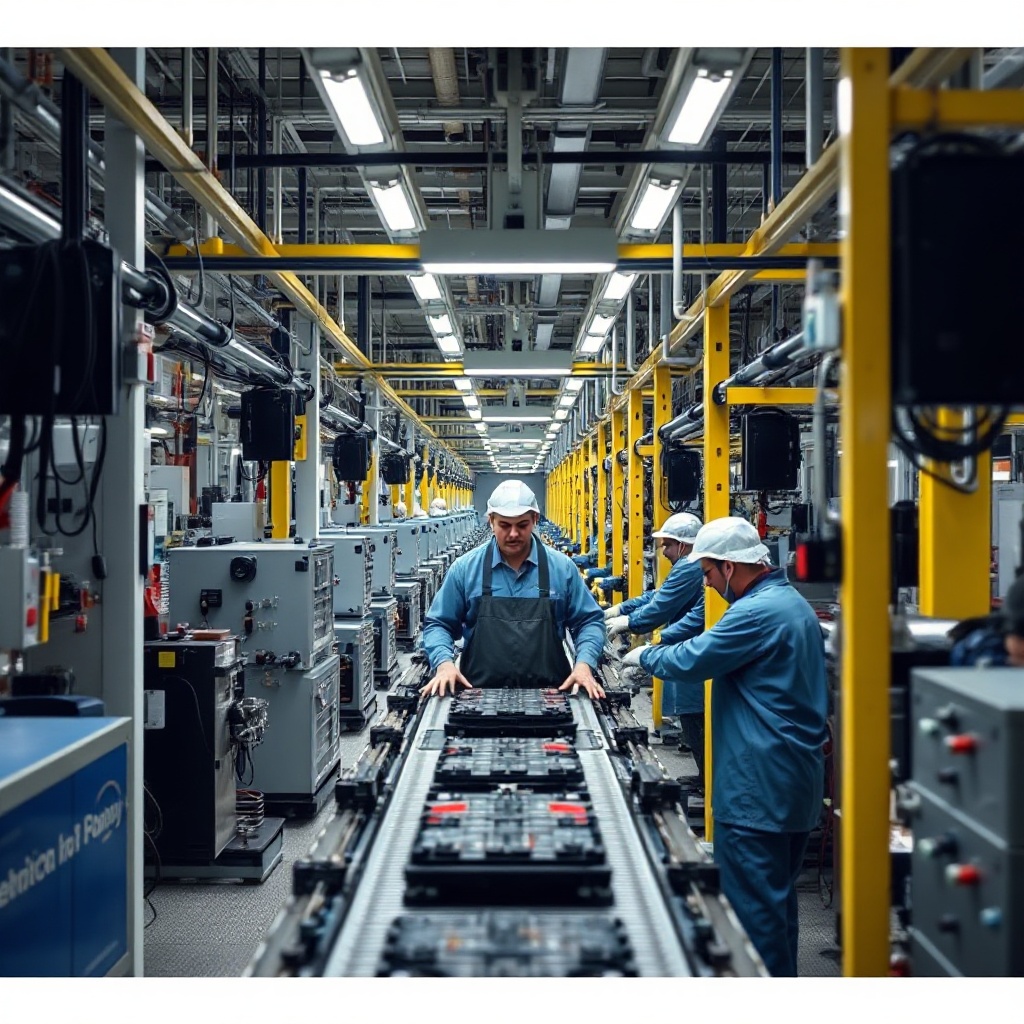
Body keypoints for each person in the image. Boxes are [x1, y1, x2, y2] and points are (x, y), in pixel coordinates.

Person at [622, 516, 827, 977]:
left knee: (752, 919)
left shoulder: (756, 612)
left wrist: (644, 655)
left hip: (758, 788)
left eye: (709, 574)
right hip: (792, 783)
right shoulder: (789, 603)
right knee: (774, 905)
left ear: (729, 568)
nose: (708, 585)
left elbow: (697, 657)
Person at [421, 479, 606, 699]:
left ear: (535, 519)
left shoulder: (562, 569)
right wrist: (444, 663)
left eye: (522, 525)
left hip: (552, 699)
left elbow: (589, 621)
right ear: (491, 521)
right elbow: (438, 623)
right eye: (505, 525)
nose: (513, 534)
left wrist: (584, 664)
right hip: (477, 697)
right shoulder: (465, 569)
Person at [604, 512, 707, 791]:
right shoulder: (688, 564)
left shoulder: (689, 565)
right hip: (688, 645)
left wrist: (633, 624)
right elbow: (658, 595)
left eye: (667, 545)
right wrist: (622, 609)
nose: (663, 551)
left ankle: (708, 781)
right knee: (691, 713)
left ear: (682, 545)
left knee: (694, 713)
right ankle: (705, 778)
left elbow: (662, 606)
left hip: (695, 650)